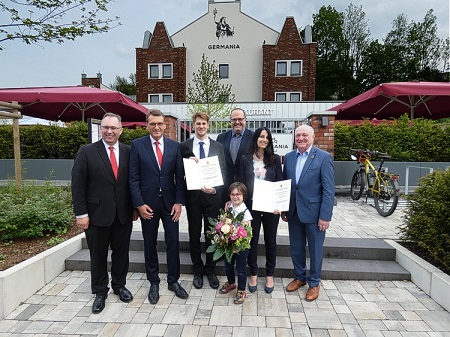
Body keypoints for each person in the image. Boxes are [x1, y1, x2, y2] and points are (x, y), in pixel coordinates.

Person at [71, 112, 137, 314]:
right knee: (98, 255)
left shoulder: (128, 151)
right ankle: (100, 292)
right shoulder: (87, 151)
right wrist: (80, 213)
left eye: (114, 128)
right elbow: (78, 185)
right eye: (106, 127)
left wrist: (134, 207)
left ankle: (119, 285)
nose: (109, 131)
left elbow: (133, 182)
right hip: (96, 215)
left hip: (123, 214)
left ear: (121, 130)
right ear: (101, 129)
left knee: (121, 254)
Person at [129, 109, 188, 305]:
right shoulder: (137, 146)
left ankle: (173, 281)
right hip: (148, 205)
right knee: (149, 244)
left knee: (173, 242)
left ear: (165, 125)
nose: (156, 127)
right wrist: (139, 204)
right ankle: (153, 282)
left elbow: (180, 177)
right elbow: (133, 178)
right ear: (147, 125)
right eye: (153, 123)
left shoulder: (174, 146)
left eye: (160, 124)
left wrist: (179, 202)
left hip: (170, 204)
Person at [281, 124, 335, 302]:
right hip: (294, 211)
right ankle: (300, 277)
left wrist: (325, 216)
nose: (301, 138)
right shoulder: (288, 157)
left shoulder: (323, 157)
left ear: (313, 137)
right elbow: (285, 185)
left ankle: (314, 283)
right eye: (298, 136)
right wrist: (283, 208)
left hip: (315, 214)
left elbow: (328, 190)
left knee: (315, 250)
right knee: (296, 247)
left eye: (305, 135)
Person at [180, 112, 227, 289]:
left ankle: (210, 269)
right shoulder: (184, 146)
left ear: (208, 125)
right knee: (193, 233)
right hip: (192, 197)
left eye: (203, 124)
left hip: (212, 197)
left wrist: (215, 189)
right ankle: (197, 270)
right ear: (193, 125)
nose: (200, 127)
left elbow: (222, 170)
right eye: (198, 124)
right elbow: (179, 171)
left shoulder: (218, 146)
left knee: (211, 234)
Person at [238, 127, 283, 294]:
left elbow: (280, 182)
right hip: (252, 207)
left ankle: (270, 274)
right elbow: (241, 184)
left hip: (271, 208)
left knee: (271, 241)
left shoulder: (275, 159)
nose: (264, 139)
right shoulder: (245, 159)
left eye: (267, 137)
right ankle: (254, 273)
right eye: (261, 136)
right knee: (252, 241)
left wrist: (280, 204)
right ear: (256, 138)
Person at [219, 182, 253, 305]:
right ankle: (231, 282)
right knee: (228, 265)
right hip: (229, 245)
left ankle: (241, 289)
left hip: (240, 247)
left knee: (241, 269)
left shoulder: (245, 212)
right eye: (232, 194)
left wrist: (241, 246)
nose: (235, 197)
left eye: (238, 194)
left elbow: (248, 232)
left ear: (243, 195)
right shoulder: (229, 207)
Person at [216, 108, 254, 203]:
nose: (237, 122)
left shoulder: (254, 137)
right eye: (234, 119)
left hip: (246, 189)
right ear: (230, 121)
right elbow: (216, 161)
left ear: (245, 120)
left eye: (240, 119)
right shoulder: (221, 138)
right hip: (225, 189)